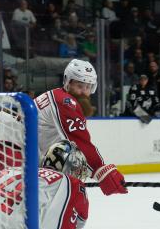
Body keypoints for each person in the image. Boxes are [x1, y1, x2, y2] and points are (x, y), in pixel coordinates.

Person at [33, 59, 127, 196]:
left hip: (11, 147)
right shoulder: (65, 102)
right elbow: (80, 141)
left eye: (88, 87)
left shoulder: (60, 97)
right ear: (67, 82)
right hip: (13, 152)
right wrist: (101, 170)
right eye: (79, 86)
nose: (84, 92)